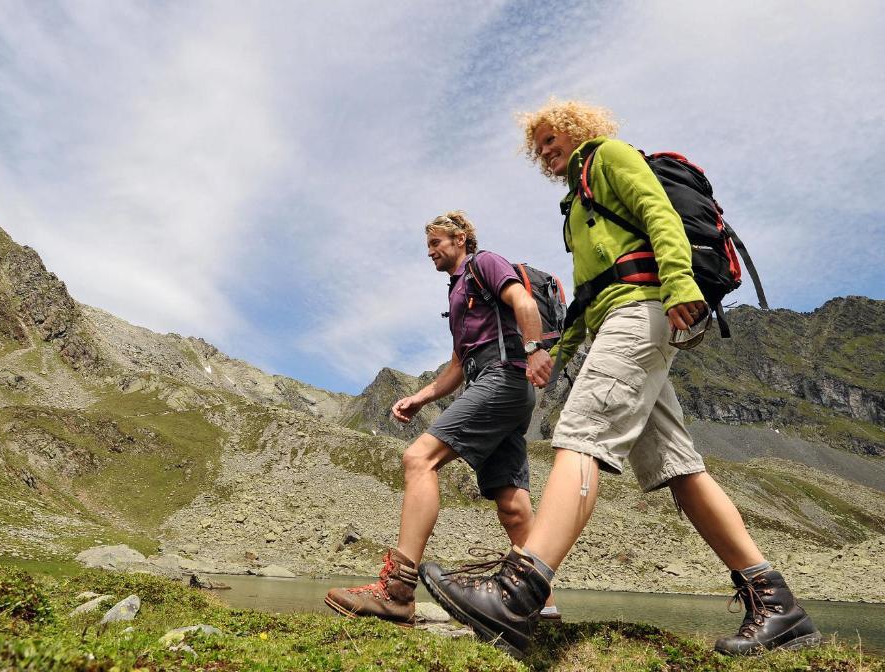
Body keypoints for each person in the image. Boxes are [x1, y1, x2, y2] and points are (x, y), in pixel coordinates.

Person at [419, 100, 821, 657]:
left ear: (578, 127)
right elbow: (587, 298)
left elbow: (659, 215)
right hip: (618, 317)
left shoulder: (608, 157)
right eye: (536, 146)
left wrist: (680, 283)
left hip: (643, 312)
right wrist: (555, 356)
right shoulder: (576, 205)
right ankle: (778, 605)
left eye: (551, 136)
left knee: (581, 435)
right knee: (681, 469)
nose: (545, 149)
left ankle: (518, 589)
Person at [324, 211, 559, 625]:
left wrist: (535, 347)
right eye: (428, 246)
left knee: (419, 459)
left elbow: (522, 300)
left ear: (460, 238)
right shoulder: (457, 293)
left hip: (502, 377)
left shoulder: (484, 264)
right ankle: (543, 608)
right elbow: (456, 364)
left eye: (436, 243)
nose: (430, 252)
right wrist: (420, 397)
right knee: (512, 503)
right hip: (493, 382)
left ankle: (397, 591)